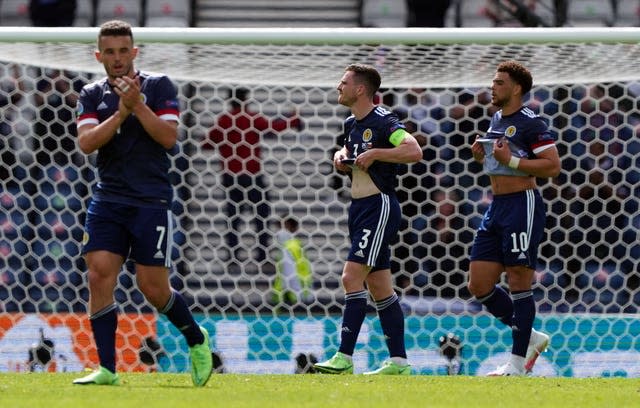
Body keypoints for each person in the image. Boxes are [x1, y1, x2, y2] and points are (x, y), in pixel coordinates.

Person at [72, 20, 212, 386]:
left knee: (152, 288)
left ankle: (196, 339)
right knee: (99, 274)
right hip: (108, 198)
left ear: (134, 53)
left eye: (123, 51)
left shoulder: (159, 85)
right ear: (98, 55)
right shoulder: (90, 93)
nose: (117, 59)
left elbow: (168, 137)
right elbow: (86, 144)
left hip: (151, 199)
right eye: (110, 52)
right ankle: (106, 369)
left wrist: (136, 107)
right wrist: (121, 112)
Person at [313, 64, 422, 375]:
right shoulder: (351, 123)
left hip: (379, 206)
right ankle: (399, 362)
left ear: (360, 89)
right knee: (380, 287)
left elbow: (413, 150)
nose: (339, 86)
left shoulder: (385, 120)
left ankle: (344, 357)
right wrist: (340, 157)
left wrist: (376, 154)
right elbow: (350, 150)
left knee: (351, 278)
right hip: (359, 208)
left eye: (344, 82)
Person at [468, 60, 561, 376]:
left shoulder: (531, 122)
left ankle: (517, 365)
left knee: (519, 282)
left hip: (523, 204)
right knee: (479, 283)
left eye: (499, 82)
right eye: (493, 81)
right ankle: (531, 336)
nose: (492, 86)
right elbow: (500, 155)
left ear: (517, 88)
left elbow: (552, 166)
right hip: (497, 206)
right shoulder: (496, 118)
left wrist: (514, 161)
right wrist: (482, 154)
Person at [202, 88, 301, 263]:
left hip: (230, 176)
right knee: (261, 215)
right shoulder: (250, 118)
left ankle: (233, 256)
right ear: (246, 100)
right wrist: (293, 119)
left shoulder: (224, 120)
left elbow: (206, 143)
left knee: (233, 216)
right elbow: (273, 128)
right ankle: (262, 256)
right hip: (252, 175)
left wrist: (225, 144)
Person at [272, 216, 313, 305]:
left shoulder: (289, 248)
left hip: (293, 297)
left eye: (283, 227)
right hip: (301, 293)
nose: (279, 231)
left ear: (292, 228)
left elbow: (290, 274)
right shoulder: (296, 245)